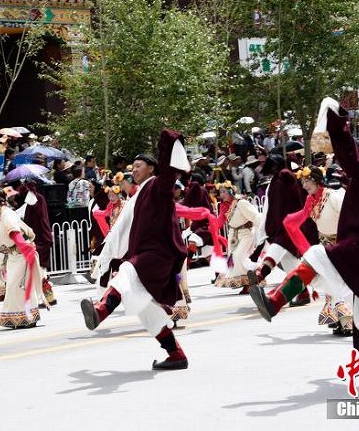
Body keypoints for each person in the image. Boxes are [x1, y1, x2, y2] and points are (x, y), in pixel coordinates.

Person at [249, 99, 359, 384]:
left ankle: (275, 302)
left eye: (344, 157)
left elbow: (351, 152)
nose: (340, 163)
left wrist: (335, 124)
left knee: (315, 254)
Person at [81, 130, 192, 371]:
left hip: (158, 253)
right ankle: (176, 355)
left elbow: (170, 170)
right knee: (147, 311)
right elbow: (121, 225)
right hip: (146, 254)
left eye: (139, 165)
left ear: (152, 168)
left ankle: (101, 311)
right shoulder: (139, 193)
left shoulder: (159, 185)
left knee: (127, 271)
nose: (134, 170)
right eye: (133, 166)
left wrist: (168, 141)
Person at [285, 165, 352, 335]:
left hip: (340, 244)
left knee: (338, 281)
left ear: (316, 180)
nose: (304, 185)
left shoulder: (333, 196)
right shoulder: (311, 200)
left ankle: (348, 322)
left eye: (307, 181)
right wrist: (289, 222)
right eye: (303, 182)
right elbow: (302, 217)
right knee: (323, 278)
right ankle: (339, 318)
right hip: (325, 245)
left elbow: (349, 215)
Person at [251, 154, 319, 307]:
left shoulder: (285, 178)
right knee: (291, 265)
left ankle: (260, 274)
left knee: (278, 248)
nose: (273, 168)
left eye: (275, 164)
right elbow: (271, 207)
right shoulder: (276, 181)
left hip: (290, 225)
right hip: (283, 225)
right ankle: (302, 294)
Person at [0, 189, 45, 328]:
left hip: (21, 254)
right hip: (14, 255)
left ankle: (27, 317)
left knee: (18, 286)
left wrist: (25, 247)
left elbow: (15, 233)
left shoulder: (7, 214)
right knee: (16, 287)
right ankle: (22, 317)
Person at [17, 180, 57, 306]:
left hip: (39, 240)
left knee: (38, 271)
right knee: (40, 271)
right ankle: (49, 298)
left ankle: (41, 299)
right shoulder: (37, 200)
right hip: (42, 239)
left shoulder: (35, 201)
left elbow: (23, 215)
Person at [215, 184, 260, 292]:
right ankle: (246, 283)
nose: (222, 194)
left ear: (231, 191)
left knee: (239, 256)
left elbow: (255, 217)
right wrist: (210, 224)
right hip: (233, 235)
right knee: (234, 259)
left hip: (246, 233)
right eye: (220, 192)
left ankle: (257, 272)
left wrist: (264, 232)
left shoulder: (241, 203)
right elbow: (220, 221)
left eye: (224, 191)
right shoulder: (223, 206)